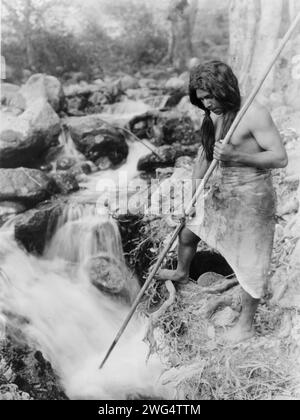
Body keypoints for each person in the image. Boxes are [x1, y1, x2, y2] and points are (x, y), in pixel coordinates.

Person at [157, 60, 288, 343]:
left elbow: (279, 157)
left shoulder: (253, 113)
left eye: (209, 96)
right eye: (201, 99)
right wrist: (191, 197)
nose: (206, 104)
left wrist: (235, 156)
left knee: (251, 264)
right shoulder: (215, 116)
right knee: (188, 229)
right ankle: (182, 272)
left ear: (223, 88)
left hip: (254, 199)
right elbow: (204, 158)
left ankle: (246, 326)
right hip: (224, 193)